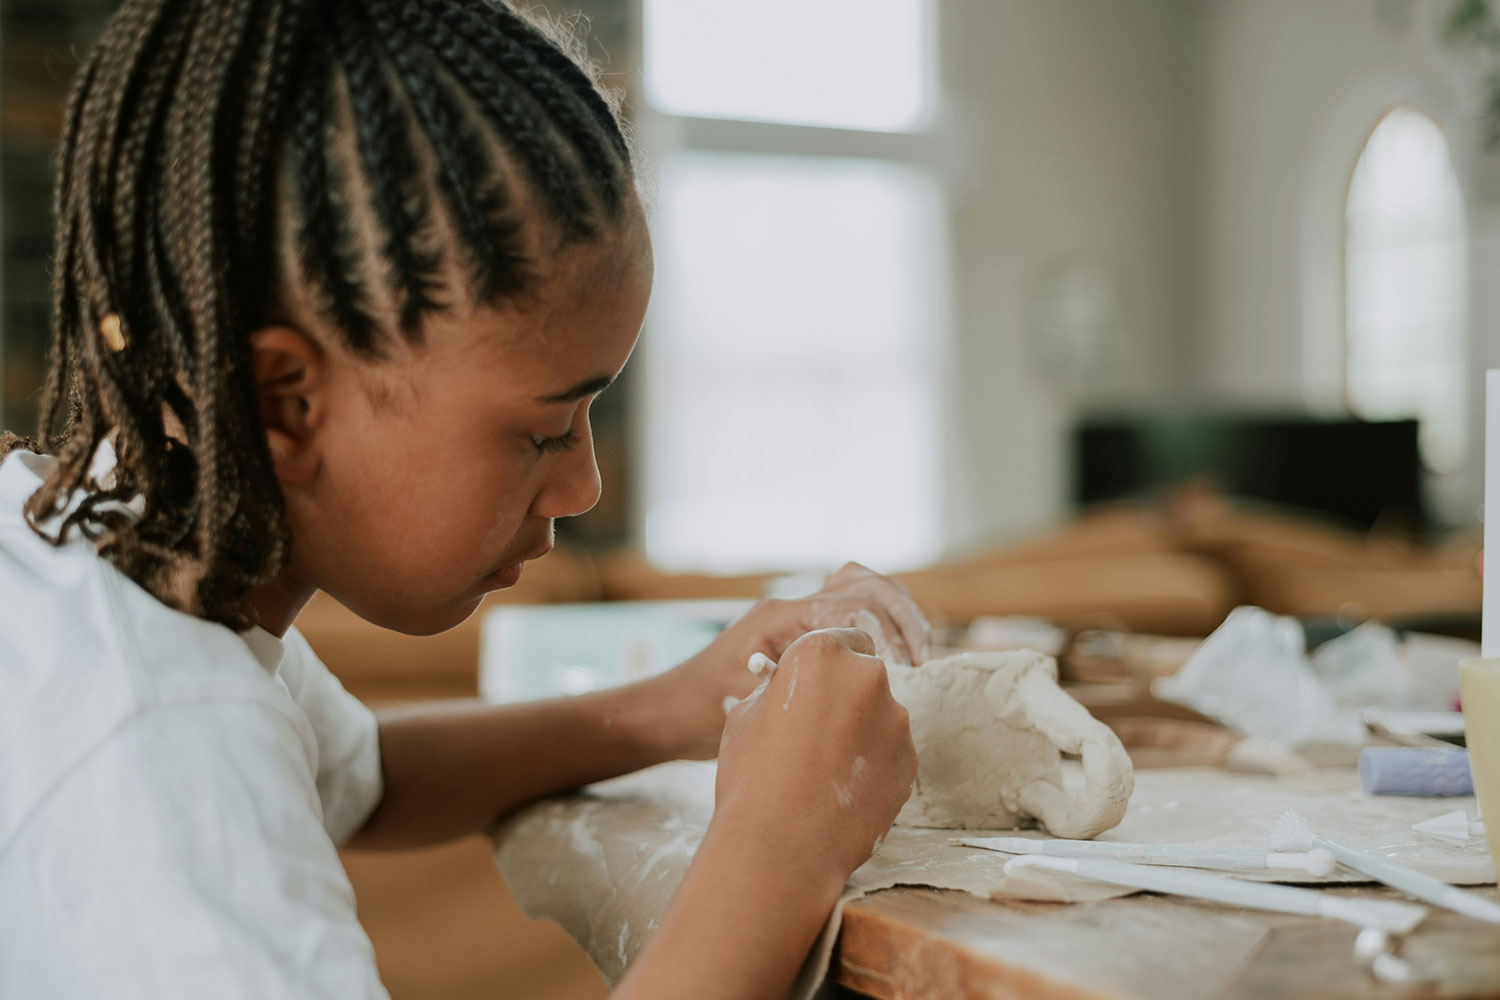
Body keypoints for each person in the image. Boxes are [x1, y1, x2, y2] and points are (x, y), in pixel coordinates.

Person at [0, 0, 925, 997]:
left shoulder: (100, 550)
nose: (583, 484)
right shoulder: (163, 755)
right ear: (284, 405)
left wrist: (672, 708)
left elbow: (369, 777)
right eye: (544, 430)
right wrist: (779, 844)